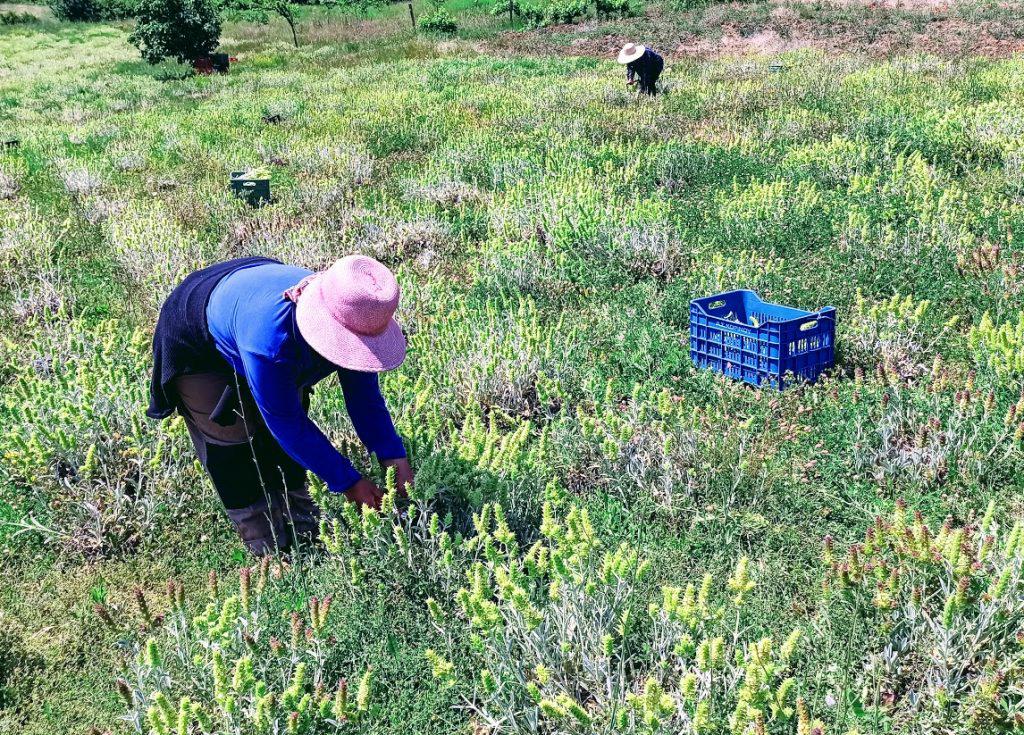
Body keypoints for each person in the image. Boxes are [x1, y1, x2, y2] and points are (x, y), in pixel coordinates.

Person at [147, 254, 412, 555]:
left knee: (289, 437)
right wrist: (350, 483)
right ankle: (266, 546)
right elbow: (287, 424)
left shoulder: (354, 312)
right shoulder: (273, 342)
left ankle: (306, 527)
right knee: (231, 442)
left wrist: (394, 458)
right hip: (196, 334)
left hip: (247, 304)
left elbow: (365, 400)